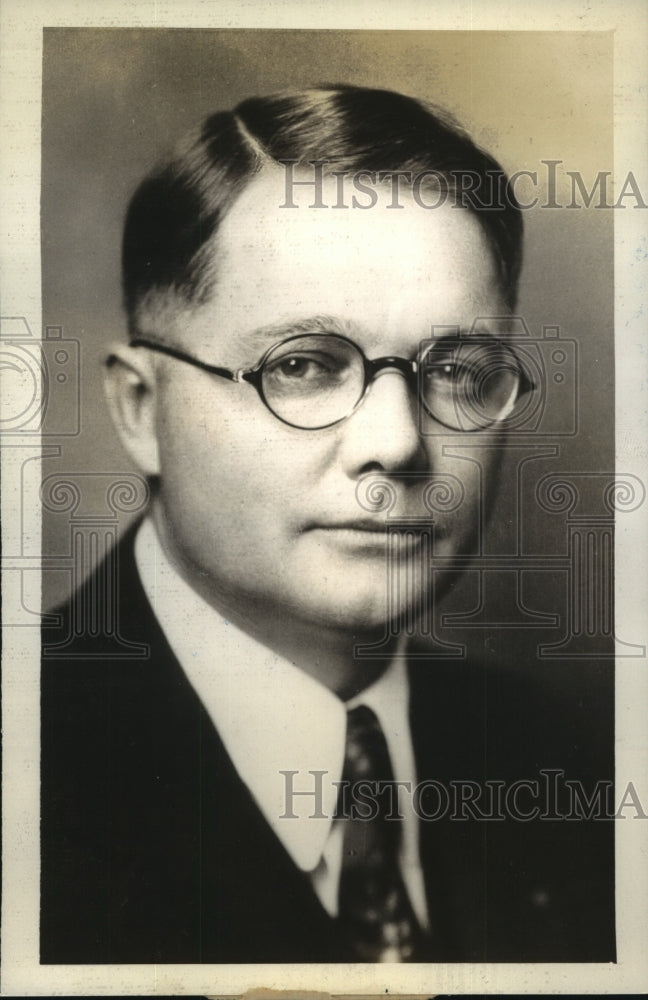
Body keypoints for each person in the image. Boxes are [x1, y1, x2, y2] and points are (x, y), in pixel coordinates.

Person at [40, 85, 614, 964]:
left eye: (458, 371)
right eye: (304, 365)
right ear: (140, 409)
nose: (397, 444)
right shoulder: (29, 763)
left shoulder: (566, 766)